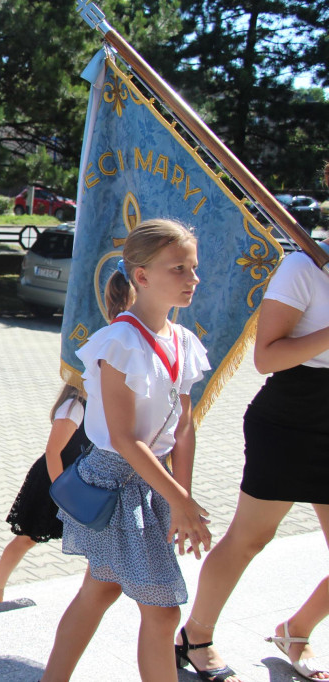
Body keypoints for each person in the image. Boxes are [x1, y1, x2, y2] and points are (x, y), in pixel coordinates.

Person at [40, 218, 212, 681]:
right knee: (162, 612)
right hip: (116, 482)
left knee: (100, 589)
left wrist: (181, 498)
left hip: (155, 484)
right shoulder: (118, 342)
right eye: (178, 268)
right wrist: (179, 499)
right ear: (142, 276)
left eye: (193, 268)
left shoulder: (184, 341)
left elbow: (185, 427)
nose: (192, 279)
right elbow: (122, 436)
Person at [178, 164, 329, 682]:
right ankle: (195, 636)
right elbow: (267, 357)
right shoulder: (304, 268)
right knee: (250, 538)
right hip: (293, 417)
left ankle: (296, 629)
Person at [0, 383, 90, 605]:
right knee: (28, 537)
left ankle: (91, 594)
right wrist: (63, 495)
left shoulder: (96, 403)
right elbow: (53, 452)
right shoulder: (74, 407)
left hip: (77, 483)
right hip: (55, 481)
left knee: (94, 537)